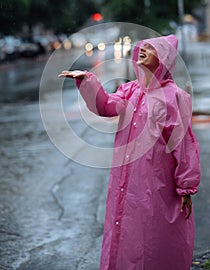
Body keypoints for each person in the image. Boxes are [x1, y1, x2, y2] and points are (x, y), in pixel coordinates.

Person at [58, 34, 200, 270]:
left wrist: (186, 185)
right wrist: (88, 81)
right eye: (141, 47)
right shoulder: (131, 91)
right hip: (127, 180)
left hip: (158, 182)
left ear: (163, 58)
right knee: (127, 234)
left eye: (151, 48)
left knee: (156, 237)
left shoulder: (174, 97)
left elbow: (183, 143)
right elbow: (105, 106)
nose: (142, 50)